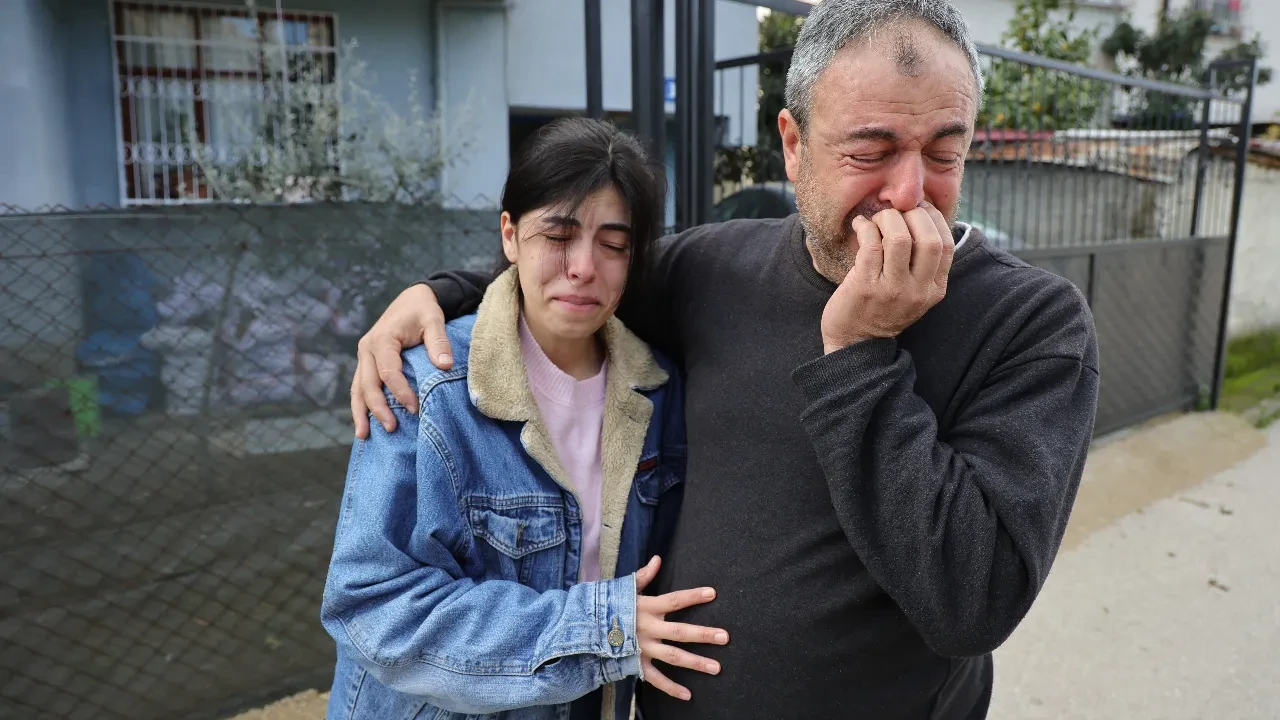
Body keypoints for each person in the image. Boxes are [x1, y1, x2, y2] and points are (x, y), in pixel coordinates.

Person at [348, 1, 1100, 717]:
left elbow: (974, 603)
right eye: (870, 152)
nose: (910, 194)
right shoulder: (717, 267)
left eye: (944, 152)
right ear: (794, 143)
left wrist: (862, 353)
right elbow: (583, 275)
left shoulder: (1033, 323)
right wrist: (437, 292)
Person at [320, 118, 730, 720]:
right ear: (510, 235)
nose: (584, 266)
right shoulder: (428, 389)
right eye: (558, 235)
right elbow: (374, 607)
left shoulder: (660, 394)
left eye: (614, 244)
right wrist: (601, 630)